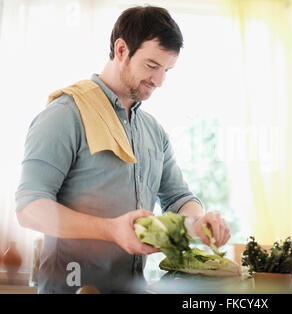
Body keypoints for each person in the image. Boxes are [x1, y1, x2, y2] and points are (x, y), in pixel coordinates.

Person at [15, 5, 230, 294]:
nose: (159, 81)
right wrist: (111, 229)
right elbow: (29, 209)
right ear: (121, 50)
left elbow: (178, 199)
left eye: (167, 70)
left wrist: (198, 223)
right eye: (152, 66)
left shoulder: (153, 131)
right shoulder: (64, 115)